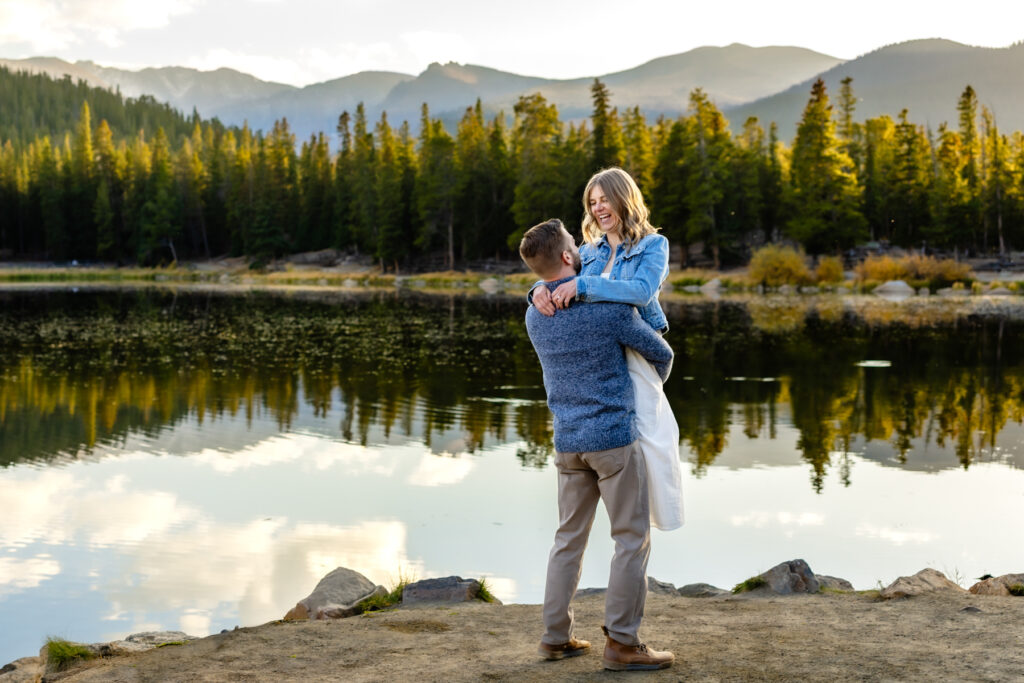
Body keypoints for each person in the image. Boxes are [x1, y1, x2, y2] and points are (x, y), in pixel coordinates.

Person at [520, 218, 675, 672]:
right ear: (569, 256)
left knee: (567, 540)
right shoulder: (608, 310)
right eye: (574, 245)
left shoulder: (535, 313)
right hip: (613, 441)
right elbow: (661, 353)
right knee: (631, 539)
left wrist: (535, 289)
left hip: (567, 441)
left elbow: (543, 289)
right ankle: (623, 644)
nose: (582, 250)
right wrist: (645, 394)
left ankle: (554, 638)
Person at [531, 167, 683, 531]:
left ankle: (658, 523)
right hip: (603, 357)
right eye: (593, 202)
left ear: (623, 198)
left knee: (654, 440)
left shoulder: (652, 246)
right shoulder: (589, 251)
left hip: (638, 350)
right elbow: (558, 272)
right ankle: (629, 530)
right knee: (620, 447)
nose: (599, 208)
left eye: (605, 200)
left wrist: (585, 287)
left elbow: (642, 292)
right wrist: (536, 289)